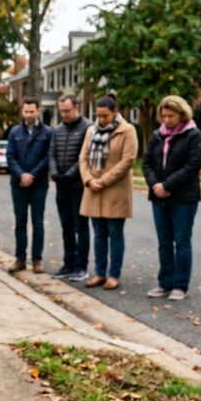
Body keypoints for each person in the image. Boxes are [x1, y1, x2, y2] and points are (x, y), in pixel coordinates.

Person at [142, 95, 201, 302]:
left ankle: (180, 285)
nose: (167, 120)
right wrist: (155, 185)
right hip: (159, 197)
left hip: (184, 198)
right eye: (164, 116)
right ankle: (165, 283)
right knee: (164, 242)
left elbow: (192, 166)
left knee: (182, 241)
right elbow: (146, 163)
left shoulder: (193, 135)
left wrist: (167, 186)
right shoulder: (157, 135)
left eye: (171, 116)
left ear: (182, 114)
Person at [78, 95, 138, 290]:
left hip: (115, 189)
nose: (101, 119)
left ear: (115, 112)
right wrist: (89, 180)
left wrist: (104, 180)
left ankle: (114, 274)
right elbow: (83, 159)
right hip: (93, 189)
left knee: (115, 233)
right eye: (99, 115)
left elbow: (128, 160)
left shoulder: (127, 130)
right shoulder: (91, 131)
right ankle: (100, 273)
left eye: (105, 115)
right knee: (99, 234)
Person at [49, 94, 93, 282]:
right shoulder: (58, 130)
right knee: (66, 226)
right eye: (62, 111)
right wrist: (54, 173)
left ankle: (81, 266)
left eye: (67, 111)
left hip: (78, 186)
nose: (64, 114)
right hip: (61, 186)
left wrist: (69, 175)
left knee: (80, 227)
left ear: (77, 107)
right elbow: (51, 154)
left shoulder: (88, 128)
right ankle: (68, 263)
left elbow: (85, 156)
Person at [6, 97, 53, 274]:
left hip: (38, 183)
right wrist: (21, 174)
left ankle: (37, 259)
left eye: (31, 111)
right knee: (20, 222)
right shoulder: (15, 132)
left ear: (38, 111)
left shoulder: (47, 133)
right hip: (18, 183)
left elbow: (48, 157)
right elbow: (10, 156)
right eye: (26, 111)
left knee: (38, 222)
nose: (28, 115)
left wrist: (32, 175)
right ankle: (20, 258)